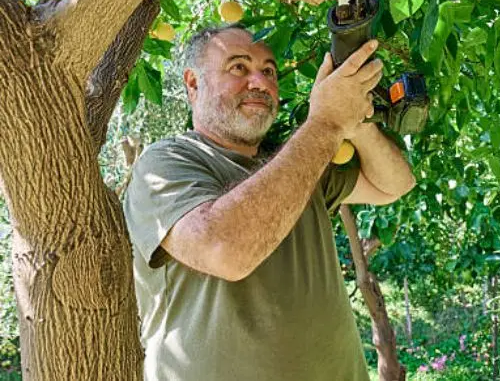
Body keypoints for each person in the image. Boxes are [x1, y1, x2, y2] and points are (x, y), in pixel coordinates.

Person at [123, 23, 416, 381]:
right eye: (238, 67)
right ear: (193, 84)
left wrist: (354, 121)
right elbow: (224, 250)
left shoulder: (300, 163)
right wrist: (325, 122)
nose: (260, 82)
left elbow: (394, 184)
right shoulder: (165, 162)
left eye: (268, 71)